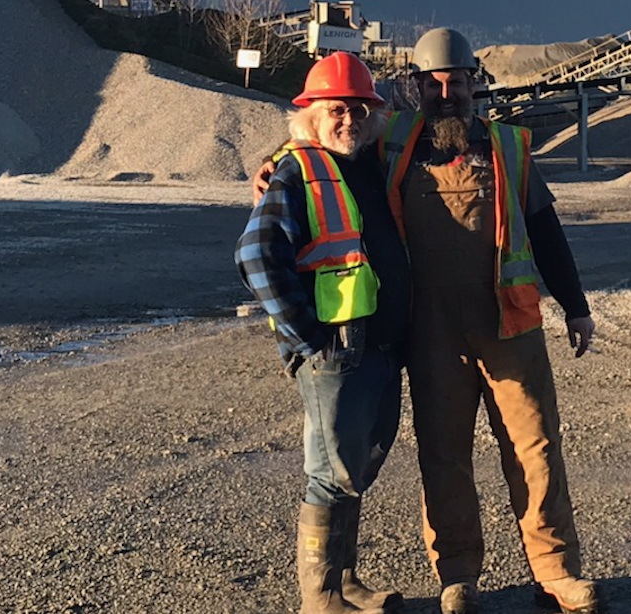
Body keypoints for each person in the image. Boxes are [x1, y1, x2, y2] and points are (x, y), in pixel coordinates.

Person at [253, 29, 599, 614]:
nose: (446, 93)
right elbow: (329, 134)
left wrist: (576, 304)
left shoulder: (509, 146)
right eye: (434, 84)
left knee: (536, 451)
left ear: (473, 84)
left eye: (456, 82)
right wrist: (274, 160)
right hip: (431, 331)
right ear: (415, 87)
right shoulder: (395, 142)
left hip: (509, 324)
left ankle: (558, 574)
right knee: (443, 456)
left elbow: (545, 229)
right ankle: (458, 577)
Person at [236, 51, 409, 614]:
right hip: (336, 352)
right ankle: (322, 596)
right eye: (337, 109)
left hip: (377, 347)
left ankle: (346, 581)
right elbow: (256, 255)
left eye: (359, 110)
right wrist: (307, 336)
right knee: (330, 474)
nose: (349, 120)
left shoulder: (366, 164)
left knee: (357, 465)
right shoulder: (296, 170)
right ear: (311, 115)